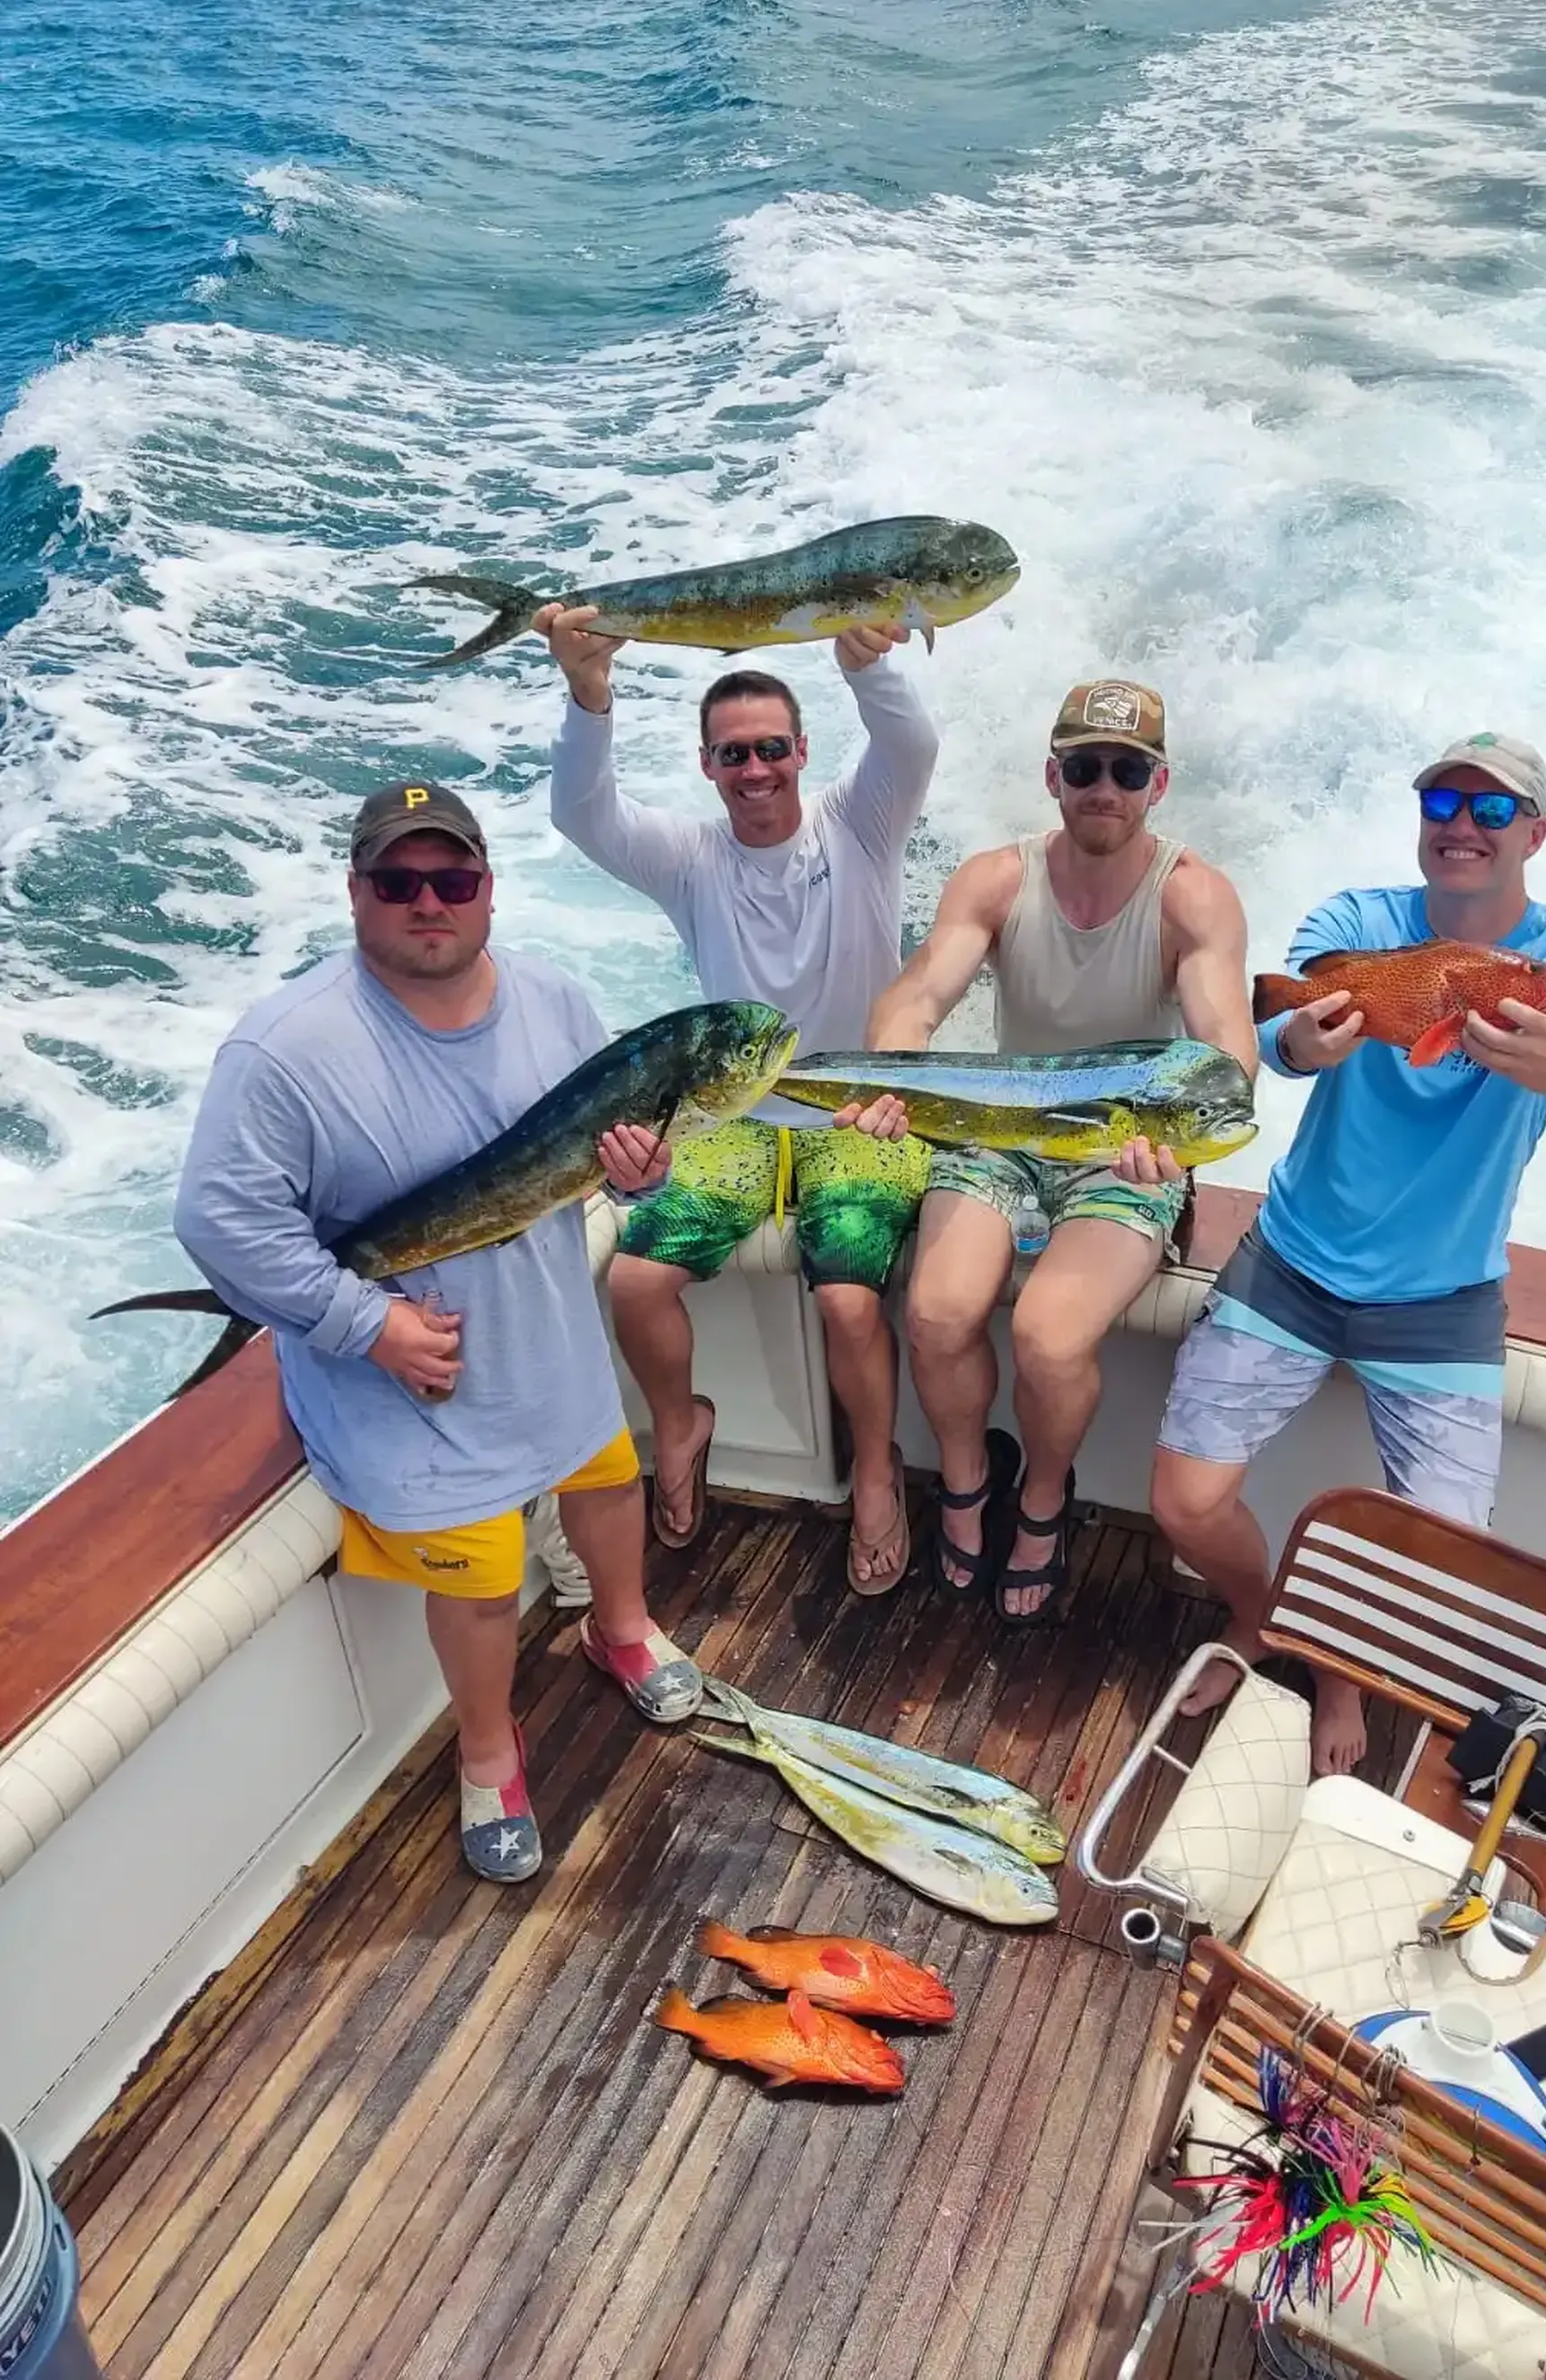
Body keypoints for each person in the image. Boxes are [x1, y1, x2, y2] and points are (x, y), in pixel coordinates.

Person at [173, 783, 698, 1886]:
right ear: (356, 894)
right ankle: (488, 1753)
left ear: (487, 892)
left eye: (450, 880)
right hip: (408, 1385)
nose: (427, 903)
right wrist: (369, 1327)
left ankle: (624, 1628)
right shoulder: (283, 1049)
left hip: (546, 1339)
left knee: (604, 1480)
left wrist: (644, 1178)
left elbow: (636, 1169)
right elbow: (221, 1222)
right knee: (480, 1573)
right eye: (397, 882)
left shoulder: (558, 1002)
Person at [1150, 734, 1546, 1775]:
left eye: (1491, 810)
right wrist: (1299, 1041)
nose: (1461, 825)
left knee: (1437, 1562)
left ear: (1535, 835)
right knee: (1181, 1502)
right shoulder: (1357, 921)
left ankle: (1338, 1665)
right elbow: (1282, 1023)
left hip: (1442, 1301)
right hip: (1289, 1263)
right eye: (1442, 803)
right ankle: (1259, 1620)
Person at [541, 606, 940, 1600]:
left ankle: (878, 1472)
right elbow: (581, 815)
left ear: (802, 752)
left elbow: (910, 741)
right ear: (708, 767)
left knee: (848, 1298)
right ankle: (679, 1422)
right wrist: (589, 697)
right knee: (635, 1282)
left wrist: (866, 670)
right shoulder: (688, 859)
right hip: (731, 1122)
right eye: (732, 756)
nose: (754, 770)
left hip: (860, 1115)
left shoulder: (861, 821)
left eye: (770, 749)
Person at [842, 678, 1257, 1626]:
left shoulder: (1192, 897)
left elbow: (1223, 1047)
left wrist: (1175, 1141)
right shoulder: (995, 877)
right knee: (938, 1315)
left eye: (1125, 770)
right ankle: (962, 1480)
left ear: (1156, 784)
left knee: (1047, 1336)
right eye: (1083, 768)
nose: (1101, 787)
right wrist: (891, 1076)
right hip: (1001, 1135)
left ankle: (1041, 1498)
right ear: (1052, 777)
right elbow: (917, 996)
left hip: (1124, 1149)